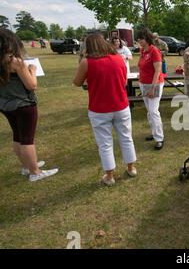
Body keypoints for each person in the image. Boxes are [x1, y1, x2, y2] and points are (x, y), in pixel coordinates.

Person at [73, 32, 137, 186]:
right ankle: (131, 168)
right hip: (121, 105)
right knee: (126, 137)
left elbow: (77, 82)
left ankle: (109, 176)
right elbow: (123, 81)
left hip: (99, 108)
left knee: (105, 143)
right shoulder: (119, 59)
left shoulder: (87, 62)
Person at [0, 29, 59, 182]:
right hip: (23, 104)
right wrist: (32, 70)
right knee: (27, 139)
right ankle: (35, 172)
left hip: (6, 104)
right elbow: (31, 85)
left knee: (17, 136)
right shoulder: (15, 62)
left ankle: (27, 165)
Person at [136, 28, 165, 150]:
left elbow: (158, 71)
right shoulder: (143, 51)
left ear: (147, 39)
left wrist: (152, 88)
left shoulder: (154, 51)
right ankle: (154, 133)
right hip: (143, 84)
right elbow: (142, 66)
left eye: (141, 39)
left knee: (153, 111)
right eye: (138, 39)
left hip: (154, 84)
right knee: (150, 112)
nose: (139, 41)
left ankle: (159, 138)